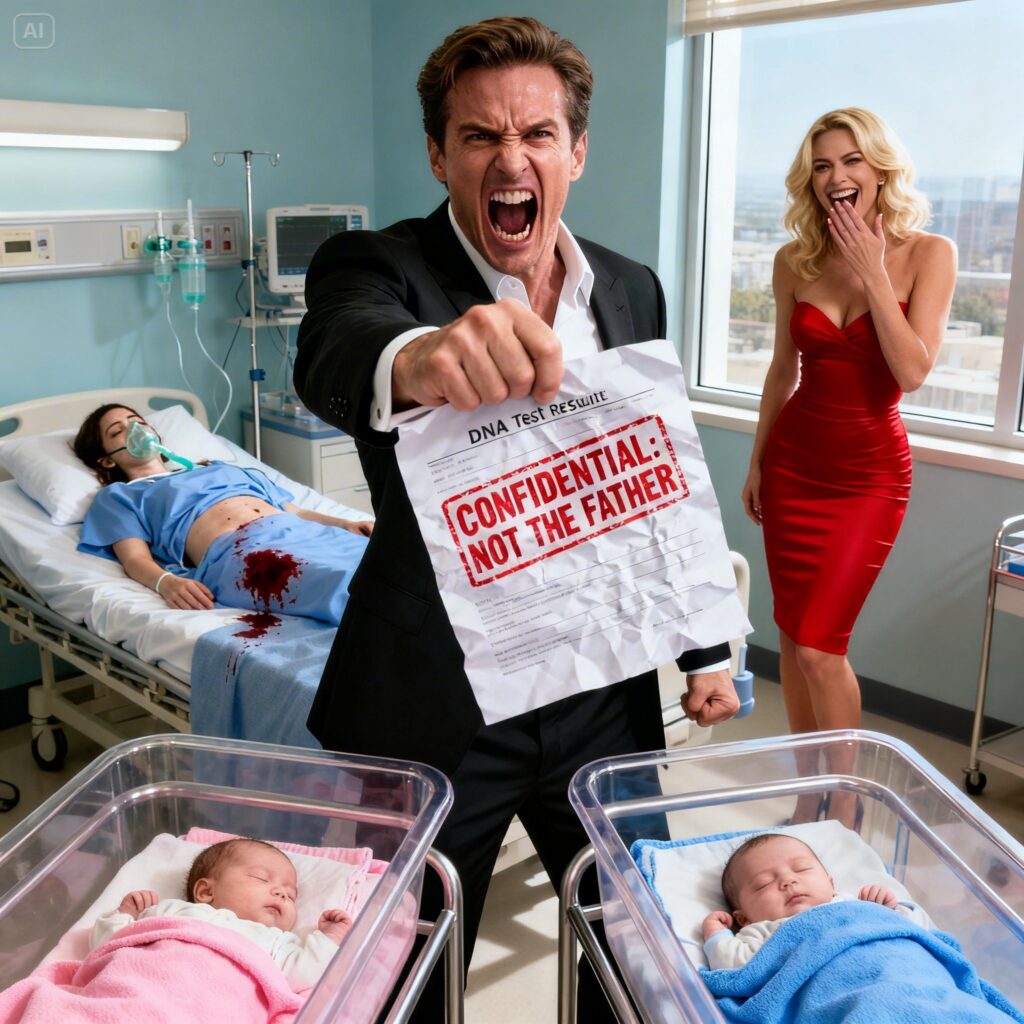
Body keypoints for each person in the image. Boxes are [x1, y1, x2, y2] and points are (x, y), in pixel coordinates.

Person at [292, 15, 741, 1019]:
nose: (511, 158)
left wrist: (705, 646)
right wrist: (419, 356)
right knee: (398, 976)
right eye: (480, 136)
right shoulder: (377, 265)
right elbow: (340, 344)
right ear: (438, 155)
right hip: (436, 703)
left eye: (537, 133)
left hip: (602, 692)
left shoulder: (630, 287)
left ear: (576, 151)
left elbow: (655, 477)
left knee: (636, 953)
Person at [740, 108, 957, 826]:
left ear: (880, 170)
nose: (837, 176)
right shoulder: (794, 261)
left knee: (821, 648)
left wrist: (871, 271)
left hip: (868, 477)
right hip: (793, 464)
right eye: (823, 165)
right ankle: (811, 795)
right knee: (793, 639)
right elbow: (781, 371)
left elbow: (912, 371)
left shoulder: (929, 254)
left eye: (852, 160)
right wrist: (757, 462)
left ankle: (847, 808)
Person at [72, 403, 371, 624]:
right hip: (240, 551)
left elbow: (294, 509)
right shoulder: (121, 495)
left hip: (301, 532)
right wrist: (166, 583)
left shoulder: (218, 467)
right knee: (348, 587)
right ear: (106, 461)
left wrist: (345, 523)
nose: (135, 430)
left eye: (138, 422)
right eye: (117, 431)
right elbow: (135, 559)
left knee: (388, 569)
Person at [91, 838, 353, 992]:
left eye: (291, 895)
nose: (281, 893)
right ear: (206, 892)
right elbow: (108, 947)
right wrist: (124, 914)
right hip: (139, 986)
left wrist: (330, 936)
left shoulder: (277, 942)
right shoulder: (171, 911)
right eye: (261, 878)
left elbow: (308, 971)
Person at [701, 833, 924, 970]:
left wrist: (889, 909)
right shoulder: (762, 931)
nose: (788, 880)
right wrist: (716, 934)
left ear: (831, 884)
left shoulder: (852, 904)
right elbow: (731, 965)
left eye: (801, 869)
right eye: (764, 883)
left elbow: (911, 930)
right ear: (744, 919)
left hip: (894, 968)